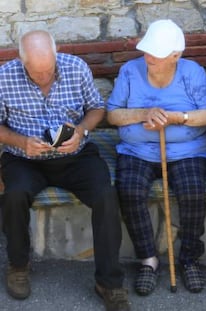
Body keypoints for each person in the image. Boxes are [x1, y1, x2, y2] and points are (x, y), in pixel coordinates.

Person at [0, 30, 130, 311]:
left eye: (48, 70)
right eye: (36, 73)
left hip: (75, 154)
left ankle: (109, 282)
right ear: (22, 62)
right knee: (14, 195)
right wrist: (21, 141)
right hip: (25, 157)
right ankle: (18, 265)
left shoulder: (75, 67)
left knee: (106, 196)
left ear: (55, 53)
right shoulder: (5, 77)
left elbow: (97, 108)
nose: (44, 78)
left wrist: (80, 131)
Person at [106, 19, 206, 295]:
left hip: (187, 150)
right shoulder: (130, 71)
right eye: (146, 50)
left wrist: (179, 118)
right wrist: (144, 113)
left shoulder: (192, 72)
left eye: (155, 53)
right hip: (137, 150)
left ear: (175, 56)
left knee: (192, 192)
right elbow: (113, 114)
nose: (148, 57)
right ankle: (148, 260)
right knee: (129, 190)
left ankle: (190, 258)